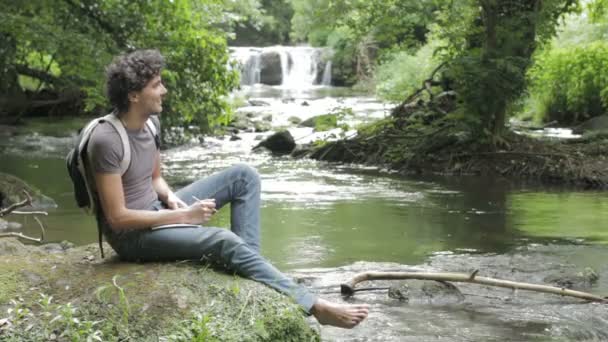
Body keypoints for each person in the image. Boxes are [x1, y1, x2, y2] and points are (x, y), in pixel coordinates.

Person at [88, 49, 369, 329]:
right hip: (132, 237)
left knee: (244, 176)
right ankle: (314, 306)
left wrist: (171, 198)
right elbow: (117, 218)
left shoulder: (151, 123)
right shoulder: (106, 140)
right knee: (222, 239)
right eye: (156, 85)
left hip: (156, 210)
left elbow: (155, 178)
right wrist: (184, 217)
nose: (164, 90)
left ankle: (249, 264)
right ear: (133, 95)